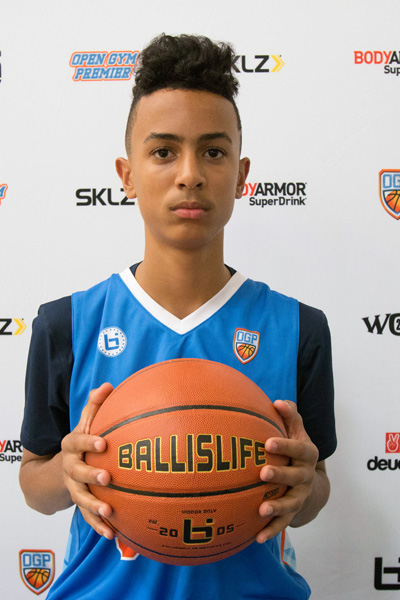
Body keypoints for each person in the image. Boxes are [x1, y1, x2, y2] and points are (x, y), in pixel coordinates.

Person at [19, 33, 336, 599]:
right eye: (163, 152)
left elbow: (313, 495)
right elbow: (33, 486)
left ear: (241, 175)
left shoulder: (298, 328)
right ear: (127, 175)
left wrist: (305, 485)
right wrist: (66, 473)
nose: (190, 174)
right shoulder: (66, 324)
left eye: (213, 152)